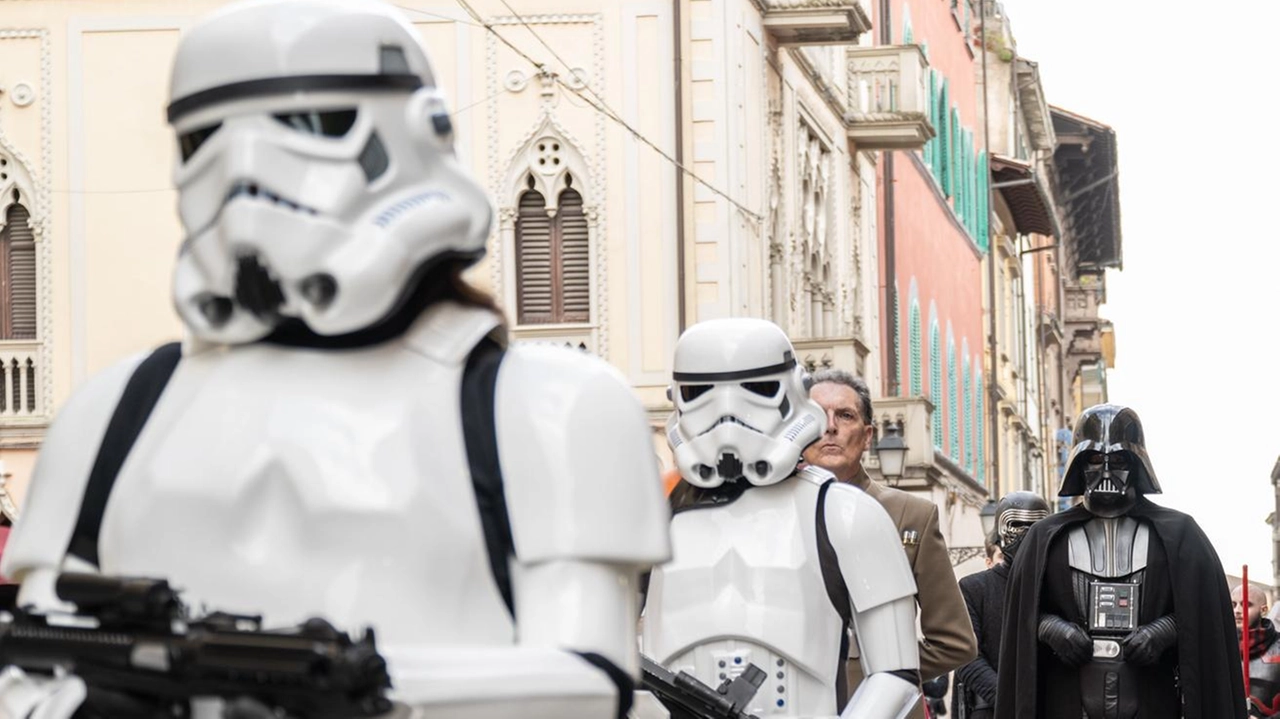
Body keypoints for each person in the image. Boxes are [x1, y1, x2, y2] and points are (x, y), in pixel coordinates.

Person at [0, 2, 671, 717]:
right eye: (206, 138)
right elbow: (33, 661)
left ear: (412, 136)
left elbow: (587, 679)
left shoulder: (549, 408)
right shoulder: (113, 411)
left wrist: (352, 692)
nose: (245, 173)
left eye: (308, 126)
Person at [644, 318, 921, 718]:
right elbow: (603, 654)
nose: (727, 415)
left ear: (792, 392)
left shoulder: (844, 514)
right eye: (700, 392)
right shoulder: (656, 517)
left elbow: (895, 674)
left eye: (756, 390)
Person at [995, 404, 1245, 719]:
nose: (1107, 471)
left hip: (1152, 696)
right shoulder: (1045, 537)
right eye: (1096, 459)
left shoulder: (1181, 535)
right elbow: (1022, 615)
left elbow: (1205, 614)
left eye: (1120, 460)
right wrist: (1051, 628)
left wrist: (1165, 631)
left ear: (1138, 463)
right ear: (1079, 464)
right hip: (1069, 698)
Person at [803, 369, 976, 718]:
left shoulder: (911, 515)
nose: (830, 427)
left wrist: (883, 667)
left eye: (845, 415)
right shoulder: (771, 513)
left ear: (867, 436)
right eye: (818, 416)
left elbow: (955, 642)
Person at [951, 491, 1050, 719]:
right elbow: (967, 657)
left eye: (1036, 526)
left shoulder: (1055, 587)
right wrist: (1011, 700)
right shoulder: (974, 588)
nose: (1026, 535)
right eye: (1017, 524)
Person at [1233, 583, 1280, 716]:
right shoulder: (1220, 648)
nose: (1237, 610)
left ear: (1263, 610)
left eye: (1246, 605)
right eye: (1233, 604)